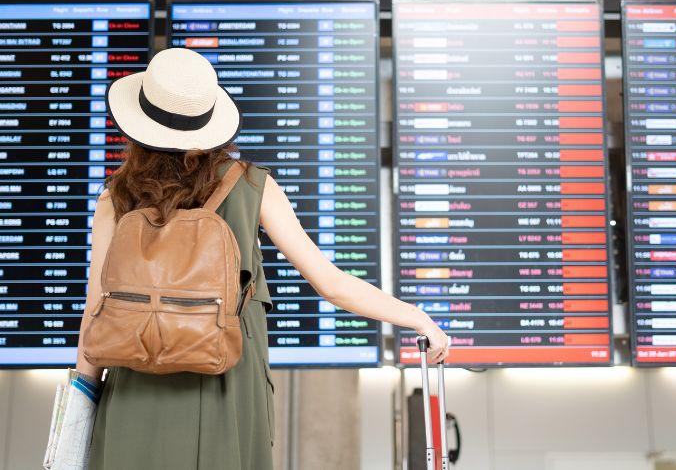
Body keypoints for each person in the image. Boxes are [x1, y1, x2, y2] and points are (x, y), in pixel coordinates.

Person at [73, 48, 450, 469]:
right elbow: (331, 283)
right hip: (227, 390)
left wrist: (77, 414)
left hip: (133, 394)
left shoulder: (114, 198)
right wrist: (417, 317)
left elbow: (95, 316)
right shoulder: (252, 185)